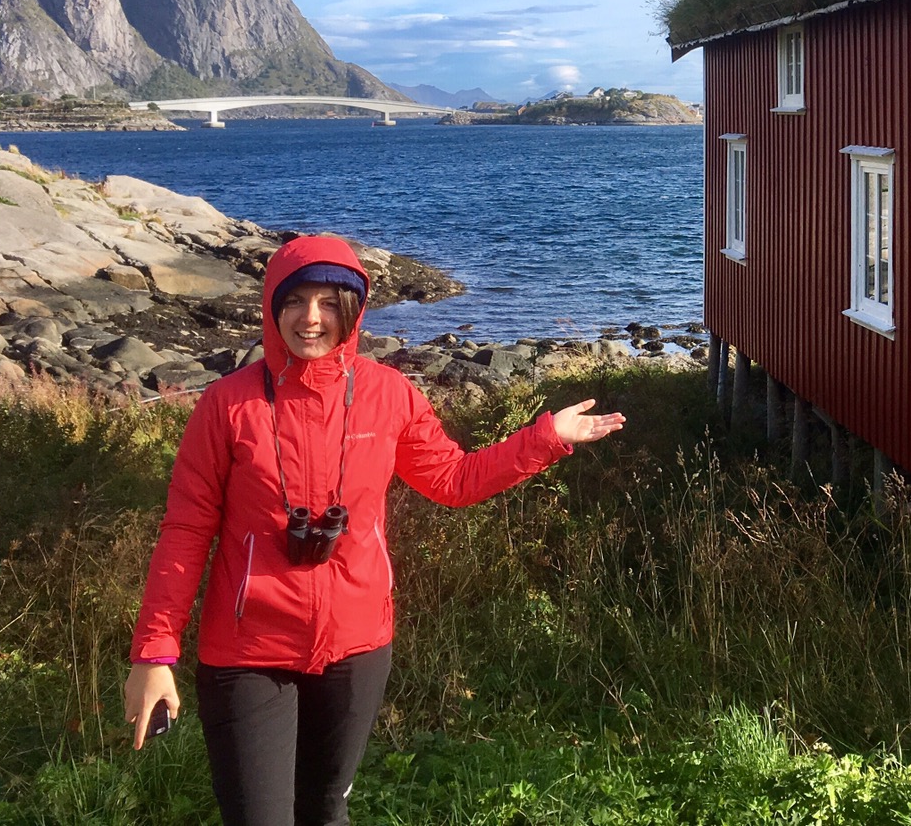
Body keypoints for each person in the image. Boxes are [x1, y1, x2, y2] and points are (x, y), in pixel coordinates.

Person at [122, 234, 624, 825]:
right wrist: (154, 653)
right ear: (272, 306)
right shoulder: (228, 405)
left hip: (356, 646)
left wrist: (545, 439)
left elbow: (453, 480)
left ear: (354, 311)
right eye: (295, 300)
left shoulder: (388, 395)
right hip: (247, 651)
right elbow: (185, 529)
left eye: (328, 303)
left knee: (325, 811)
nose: (311, 318)